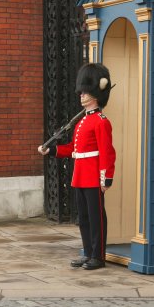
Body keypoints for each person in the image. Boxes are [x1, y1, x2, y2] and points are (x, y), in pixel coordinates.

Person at [38, 63, 116, 270]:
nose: (81, 95)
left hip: (92, 176)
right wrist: (52, 151)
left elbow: (107, 152)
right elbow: (73, 148)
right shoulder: (83, 121)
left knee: (96, 217)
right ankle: (88, 252)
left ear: (96, 93)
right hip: (80, 174)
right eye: (81, 91)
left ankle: (98, 256)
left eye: (85, 91)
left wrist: (106, 177)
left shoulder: (101, 121)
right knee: (83, 218)